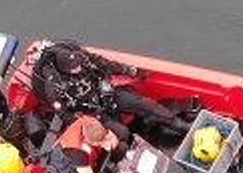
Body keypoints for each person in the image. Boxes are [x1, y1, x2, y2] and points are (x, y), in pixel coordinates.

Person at [31, 40, 189, 140]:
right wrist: (87, 123)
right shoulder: (54, 88)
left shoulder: (81, 59)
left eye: (78, 64)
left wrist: (130, 71)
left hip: (105, 94)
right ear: (64, 69)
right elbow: (63, 113)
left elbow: (103, 63)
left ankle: (180, 126)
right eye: (74, 68)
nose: (79, 68)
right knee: (123, 133)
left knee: (145, 104)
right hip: (91, 112)